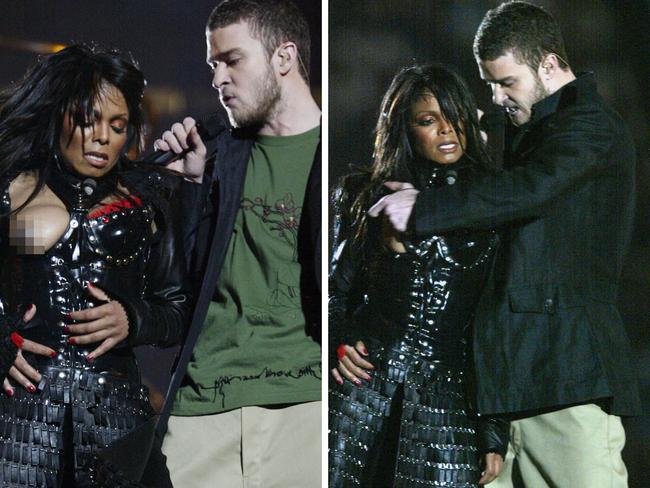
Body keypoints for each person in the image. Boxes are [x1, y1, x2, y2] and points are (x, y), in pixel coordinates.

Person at [368, 2, 641, 487]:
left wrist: (423, 210)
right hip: (503, 396)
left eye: (507, 83)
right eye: (490, 85)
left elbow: (532, 188)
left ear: (550, 65)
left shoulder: (591, 126)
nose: (496, 96)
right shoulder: (524, 133)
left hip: (566, 385)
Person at [0, 44, 189, 487]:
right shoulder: (9, 186)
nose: (102, 137)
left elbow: (179, 310)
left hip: (116, 421)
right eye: (87, 121)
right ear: (57, 115)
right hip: (17, 422)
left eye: (118, 125)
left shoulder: (151, 201)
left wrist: (133, 319)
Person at [154, 0, 322, 486]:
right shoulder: (207, 154)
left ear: (283, 58)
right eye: (213, 64)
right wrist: (183, 189)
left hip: (304, 408)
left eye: (232, 60)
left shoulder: (339, 158)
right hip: (200, 410)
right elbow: (170, 287)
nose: (217, 78)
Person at [328, 63, 508, 487]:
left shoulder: (493, 206)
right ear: (405, 128)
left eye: (456, 118)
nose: (447, 131)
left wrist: (493, 432)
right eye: (429, 121)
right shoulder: (364, 195)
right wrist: (339, 338)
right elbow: (334, 289)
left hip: (449, 410)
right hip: (361, 394)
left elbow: (493, 325)